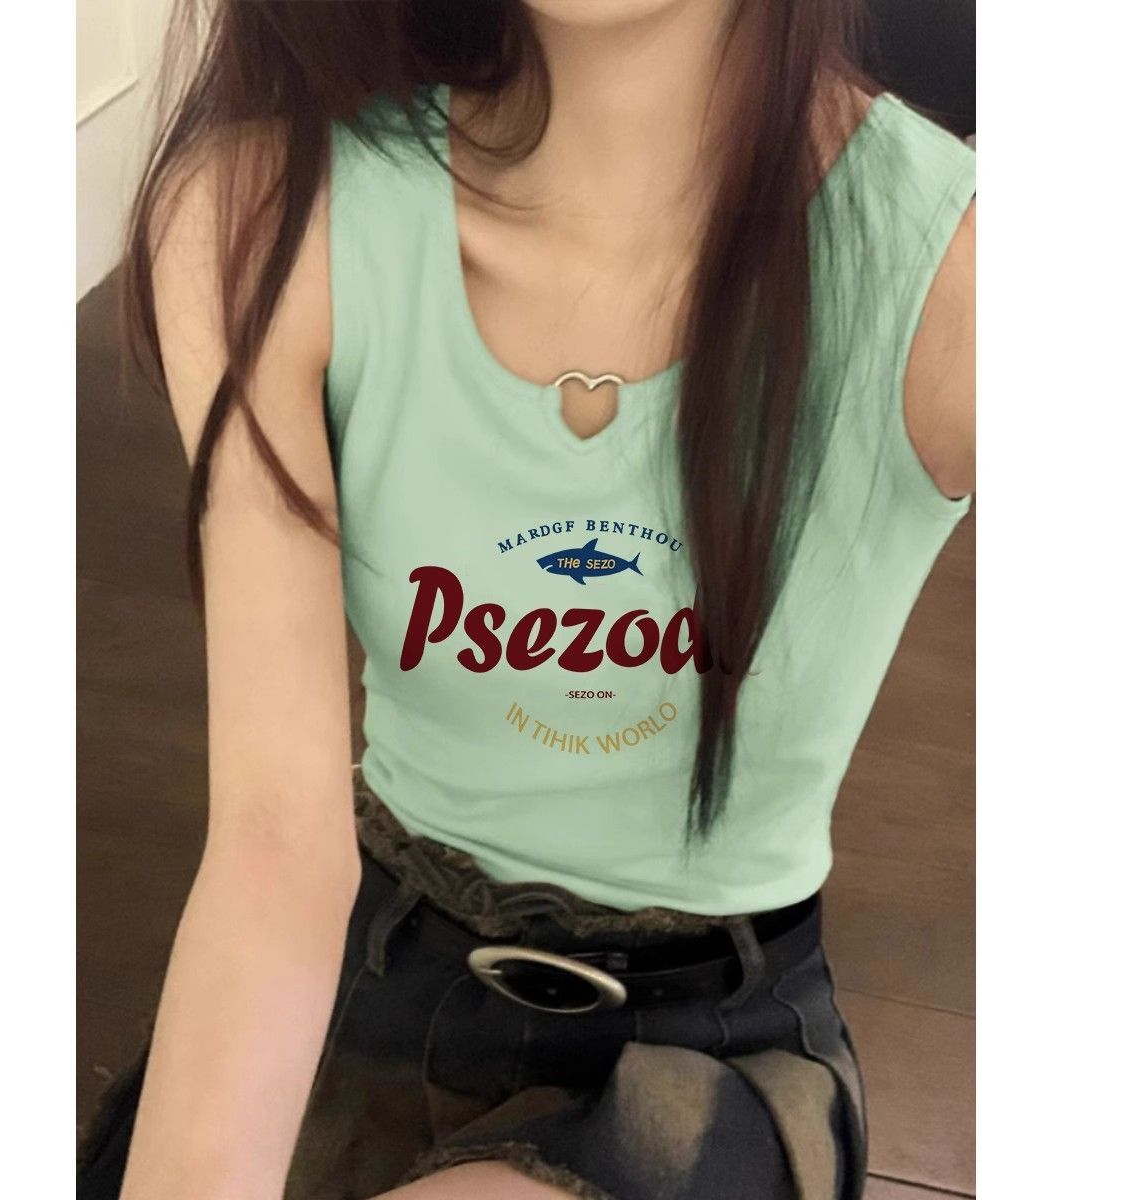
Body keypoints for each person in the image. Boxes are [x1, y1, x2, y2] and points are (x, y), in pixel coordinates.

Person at [76, 1, 975, 1198]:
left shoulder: (961, 278)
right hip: (367, 961)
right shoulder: (261, 220)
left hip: (715, 1045)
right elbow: (274, 844)